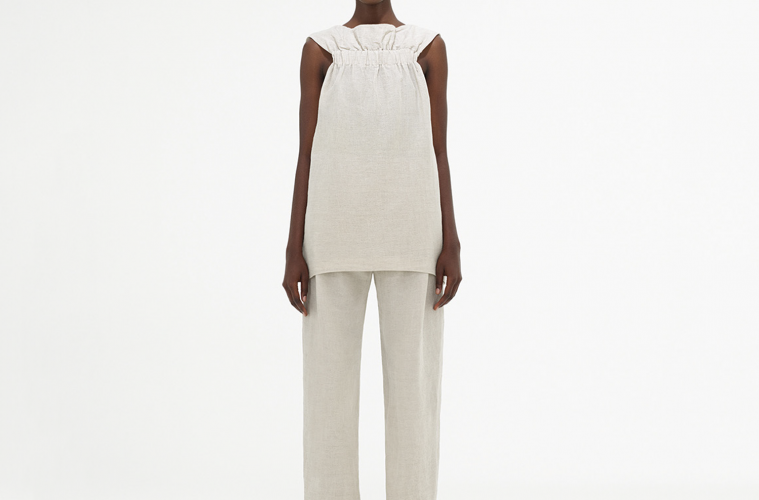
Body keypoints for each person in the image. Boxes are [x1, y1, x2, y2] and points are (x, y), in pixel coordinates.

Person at [282, 1, 462, 498]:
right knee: (327, 396)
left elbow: (439, 150)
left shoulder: (427, 48)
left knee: (414, 396)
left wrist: (451, 239)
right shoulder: (321, 49)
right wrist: (293, 247)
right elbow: (305, 152)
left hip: (413, 232)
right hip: (331, 234)